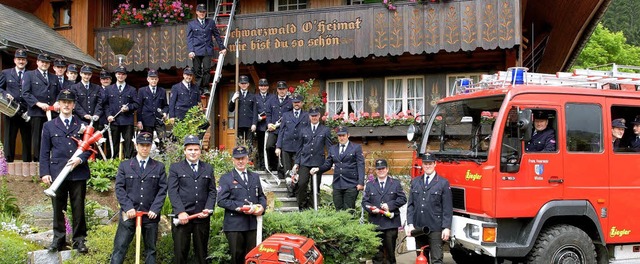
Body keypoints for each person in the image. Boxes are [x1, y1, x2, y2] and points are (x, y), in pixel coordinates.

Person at [39, 89, 90, 253]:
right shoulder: (48, 126)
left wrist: (80, 158)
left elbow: (90, 148)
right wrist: (45, 172)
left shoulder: (82, 125)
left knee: (78, 207)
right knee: (58, 208)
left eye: (69, 102)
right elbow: (44, 151)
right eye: (63, 102)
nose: (66, 105)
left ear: (74, 105)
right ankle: (58, 240)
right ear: (58, 105)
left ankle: (79, 240)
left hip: (78, 172)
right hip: (57, 173)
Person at [110, 132, 168, 264]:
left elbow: (162, 190)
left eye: (148, 145)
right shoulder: (125, 166)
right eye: (142, 145)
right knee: (119, 248)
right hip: (129, 214)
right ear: (136, 146)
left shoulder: (158, 167)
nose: (145, 148)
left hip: (150, 214)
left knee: (151, 250)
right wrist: (128, 207)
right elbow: (119, 188)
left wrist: (155, 208)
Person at [168, 135, 217, 264]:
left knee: (202, 254)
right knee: (180, 253)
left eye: (196, 149)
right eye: (190, 149)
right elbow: (173, 191)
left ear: (200, 151)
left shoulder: (208, 168)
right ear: (184, 151)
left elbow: (212, 191)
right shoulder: (175, 168)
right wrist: (180, 211)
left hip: (201, 217)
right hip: (182, 218)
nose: (193, 152)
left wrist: (209, 208)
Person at [218, 146, 267, 264]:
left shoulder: (255, 176)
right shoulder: (226, 178)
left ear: (247, 159)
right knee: (237, 258)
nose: (240, 161)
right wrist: (241, 206)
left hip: (252, 225)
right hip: (235, 226)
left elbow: (261, 196)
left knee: (253, 258)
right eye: (237, 158)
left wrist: (262, 207)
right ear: (233, 160)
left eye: (243, 158)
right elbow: (221, 200)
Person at [405, 153, 452, 264]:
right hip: (419, 227)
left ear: (435, 164)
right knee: (421, 259)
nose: (427, 166)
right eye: (425, 163)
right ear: (422, 165)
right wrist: (410, 224)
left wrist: (446, 227)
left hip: (435, 227)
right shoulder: (415, 182)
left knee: (436, 259)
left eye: (430, 163)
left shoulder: (443, 183)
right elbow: (410, 205)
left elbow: (447, 208)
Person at [362, 159, 407, 264]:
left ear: (387, 169)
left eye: (383, 168)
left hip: (390, 224)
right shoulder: (369, 185)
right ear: (376, 171)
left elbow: (402, 199)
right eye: (378, 169)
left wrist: (389, 205)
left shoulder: (395, 183)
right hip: (375, 224)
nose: (381, 171)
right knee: (377, 255)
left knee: (390, 256)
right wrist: (373, 210)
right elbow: (365, 202)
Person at [311, 126, 365, 211]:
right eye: (339, 136)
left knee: (349, 210)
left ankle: (349, 224)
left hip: (351, 183)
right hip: (338, 183)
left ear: (348, 135)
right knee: (338, 209)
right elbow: (328, 164)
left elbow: (360, 165)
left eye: (343, 135)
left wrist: (361, 183)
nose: (341, 138)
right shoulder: (333, 149)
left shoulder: (356, 147)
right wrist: (318, 169)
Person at [292, 107, 333, 210]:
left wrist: (330, 161)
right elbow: (299, 148)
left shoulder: (325, 130)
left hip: (318, 162)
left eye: (316, 115)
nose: (314, 117)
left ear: (319, 116)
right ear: (309, 117)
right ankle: (302, 207)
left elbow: (329, 147)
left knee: (315, 187)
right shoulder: (303, 130)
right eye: (312, 116)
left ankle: (312, 208)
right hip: (305, 161)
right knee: (301, 184)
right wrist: (297, 163)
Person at [22, 53, 60, 162]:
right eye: (42, 62)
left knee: (52, 136)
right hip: (37, 113)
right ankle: (38, 161)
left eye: (47, 62)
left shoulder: (54, 77)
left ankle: (51, 160)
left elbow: (59, 92)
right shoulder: (29, 75)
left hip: (51, 113)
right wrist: (38, 103)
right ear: (37, 62)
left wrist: (57, 102)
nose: (44, 64)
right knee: (37, 138)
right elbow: (26, 93)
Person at [187, 3, 227, 95]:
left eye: (204, 12)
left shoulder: (211, 22)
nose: (202, 13)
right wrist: (191, 50)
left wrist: (222, 48)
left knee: (206, 70)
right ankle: (198, 88)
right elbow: (189, 38)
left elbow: (217, 35)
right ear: (196, 12)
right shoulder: (191, 24)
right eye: (200, 12)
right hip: (196, 50)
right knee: (196, 70)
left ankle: (205, 88)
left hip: (207, 50)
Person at [0, 49, 32, 162]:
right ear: (15, 60)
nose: (21, 61)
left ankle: (27, 163)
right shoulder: (6, 73)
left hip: (26, 110)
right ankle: (8, 163)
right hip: (11, 110)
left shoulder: (31, 74)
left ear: (26, 61)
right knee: (9, 137)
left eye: (23, 59)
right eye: (19, 59)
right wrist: (5, 94)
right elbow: (0, 88)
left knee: (27, 139)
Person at [276, 94, 308, 196]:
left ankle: (297, 191)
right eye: (295, 102)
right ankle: (290, 191)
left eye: (298, 102)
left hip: (300, 147)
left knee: (297, 171)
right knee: (287, 171)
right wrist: (278, 146)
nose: (296, 104)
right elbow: (281, 131)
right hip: (287, 146)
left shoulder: (306, 115)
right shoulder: (286, 115)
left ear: (302, 103)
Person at [104, 66, 139, 159]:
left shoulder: (132, 89)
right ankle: (112, 163)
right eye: (119, 74)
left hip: (127, 121)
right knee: (113, 144)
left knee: (128, 144)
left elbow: (136, 104)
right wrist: (108, 115)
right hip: (113, 121)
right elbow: (105, 105)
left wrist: (128, 107)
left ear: (126, 76)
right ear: (115, 75)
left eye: (123, 74)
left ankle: (129, 163)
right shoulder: (108, 89)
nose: (121, 76)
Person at [265, 81, 293, 178]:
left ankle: (280, 170)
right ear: (277, 90)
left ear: (287, 90)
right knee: (269, 146)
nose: (282, 91)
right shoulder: (271, 100)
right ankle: (272, 166)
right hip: (274, 130)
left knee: (283, 150)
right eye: (280, 89)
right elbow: (268, 114)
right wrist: (269, 123)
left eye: (283, 89)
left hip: (285, 130)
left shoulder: (290, 101)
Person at [137, 69, 168, 150]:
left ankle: (164, 159)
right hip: (146, 120)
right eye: (152, 79)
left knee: (163, 140)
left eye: (155, 79)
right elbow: (139, 107)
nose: (153, 81)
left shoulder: (162, 91)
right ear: (148, 79)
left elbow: (165, 105)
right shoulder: (142, 91)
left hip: (159, 120)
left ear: (158, 79)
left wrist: (164, 112)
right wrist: (139, 121)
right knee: (146, 142)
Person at [228, 75, 257, 146]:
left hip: (249, 123)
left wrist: (254, 123)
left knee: (249, 144)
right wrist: (233, 99)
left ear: (248, 84)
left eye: (245, 83)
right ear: (239, 84)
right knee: (239, 145)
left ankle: (249, 157)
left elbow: (255, 111)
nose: (243, 85)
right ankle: (239, 157)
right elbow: (230, 109)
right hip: (239, 123)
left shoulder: (252, 96)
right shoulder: (237, 95)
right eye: (242, 83)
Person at [254, 78, 274, 170]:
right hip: (260, 126)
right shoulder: (255, 97)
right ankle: (262, 165)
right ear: (259, 87)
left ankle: (270, 165)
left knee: (270, 147)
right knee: (261, 147)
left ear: (268, 87)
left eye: (265, 86)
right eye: (261, 86)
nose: (263, 87)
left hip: (270, 126)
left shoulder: (272, 97)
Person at [98, 70, 113, 158]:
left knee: (111, 141)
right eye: (103, 79)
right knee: (100, 140)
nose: (105, 81)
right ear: (100, 80)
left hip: (113, 119)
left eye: (107, 79)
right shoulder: (98, 90)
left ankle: (110, 158)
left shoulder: (115, 90)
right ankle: (100, 158)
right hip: (100, 119)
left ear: (110, 80)